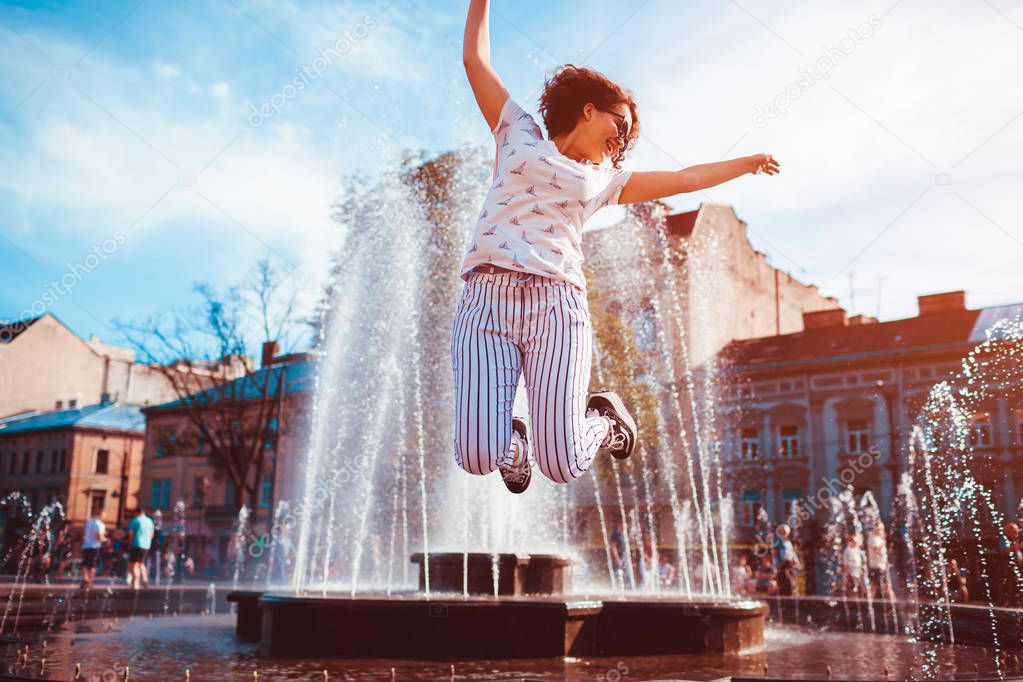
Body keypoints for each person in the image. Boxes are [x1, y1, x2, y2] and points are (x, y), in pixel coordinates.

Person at [454, 0, 781, 494]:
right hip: (486, 300)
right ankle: (513, 448)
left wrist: (747, 161)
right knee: (477, 456)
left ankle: (604, 419)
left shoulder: (606, 180)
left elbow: (686, 178)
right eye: (620, 124)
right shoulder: (516, 132)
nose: (622, 139)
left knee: (563, 465)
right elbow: (476, 62)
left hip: (556, 306)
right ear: (589, 109)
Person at [127, 508, 155, 589]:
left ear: (137, 513)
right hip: (146, 545)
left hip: (136, 544)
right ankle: (145, 579)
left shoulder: (135, 520)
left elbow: (131, 533)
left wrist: (130, 542)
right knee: (141, 563)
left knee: (133, 564)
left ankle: (136, 583)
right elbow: (152, 535)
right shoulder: (150, 521)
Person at [80, 511, 107, 589]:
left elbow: (85, 535)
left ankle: (85, 578)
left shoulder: (89, 523)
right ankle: (90, 582)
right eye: (104, 516)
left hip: (86, 546)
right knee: (93, 566)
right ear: (100, 515)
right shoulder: (100, 524)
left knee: (85, 564)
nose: (105, 517)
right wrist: (106, 540)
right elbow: (99, 537)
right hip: (95, 547)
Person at [773, 524, 801, 596]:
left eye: (784, 532)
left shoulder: (788, 542)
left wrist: (796, 562)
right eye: (781, 531)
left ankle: (790, 593)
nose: (783, 533)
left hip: (789, 563)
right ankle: (784, 595)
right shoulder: (777, 542)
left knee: (790, 578)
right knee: (784, 578)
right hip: (782, 563)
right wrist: (776, 563)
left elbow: (792, 552)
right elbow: (775, 553)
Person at [866, 526, 893, 600]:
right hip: (876, 566)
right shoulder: (873, 539)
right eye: (879, 529)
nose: (881, 531)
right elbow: (876, 550)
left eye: (882, 529)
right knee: (876, 584)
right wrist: (882, 544)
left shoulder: (878, 538)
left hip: (881, 565)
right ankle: (870, 599)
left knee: (883, 584)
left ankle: (888, 599)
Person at [841, 534, 866, 598]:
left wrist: (862, 569)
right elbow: (845, 564)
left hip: (858, 572)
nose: (856, 543)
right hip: (851, 573)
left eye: (856, 542)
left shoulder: (857, 549)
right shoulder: (847, 551)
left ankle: (860, 602)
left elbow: (860, 561)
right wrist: (847, 574)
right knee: (853, 589)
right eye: (854, 542)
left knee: (862, 589)